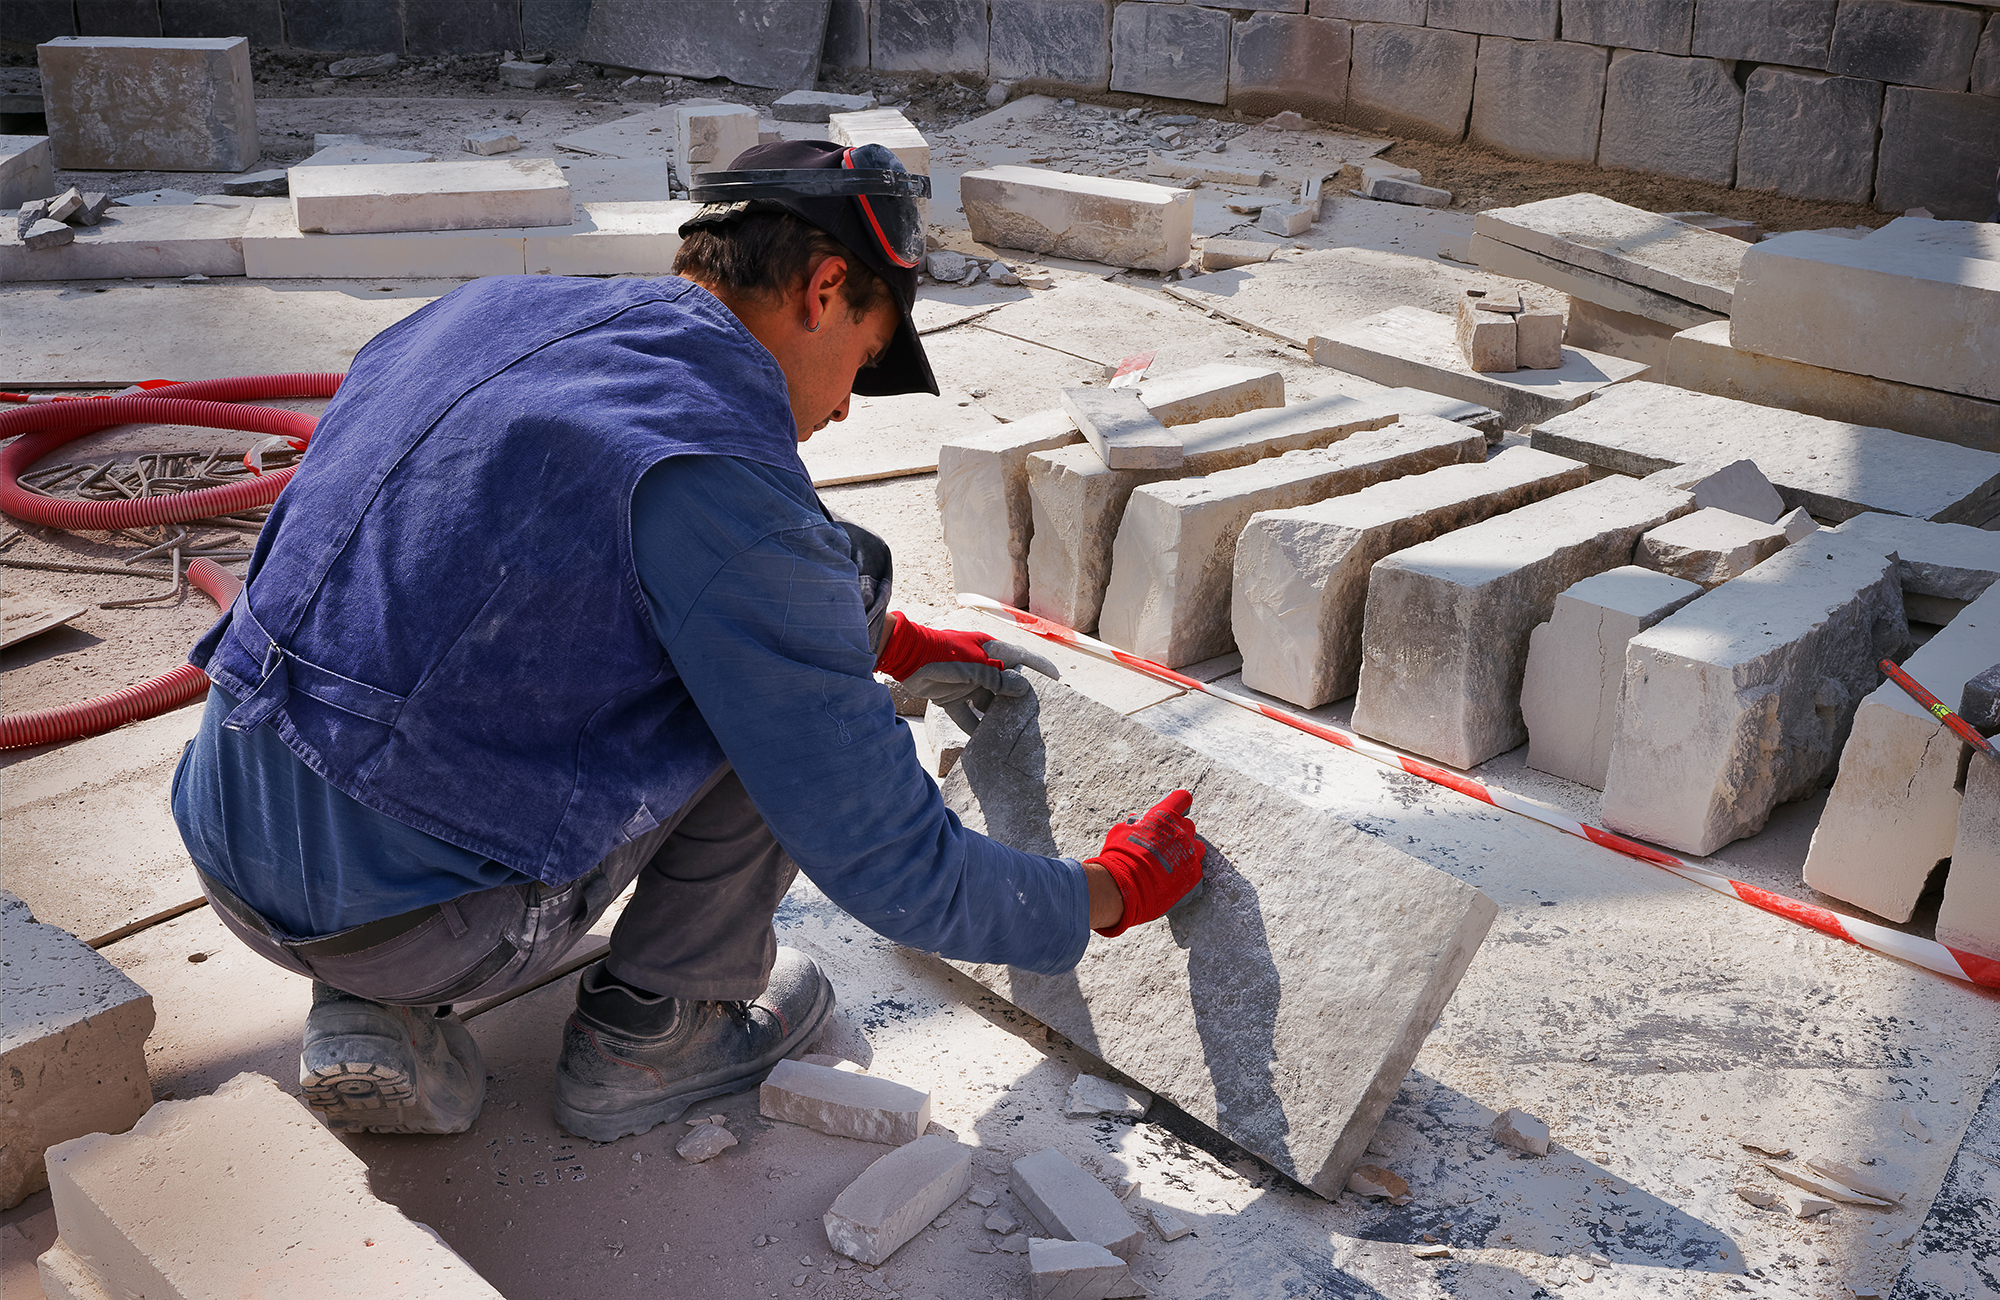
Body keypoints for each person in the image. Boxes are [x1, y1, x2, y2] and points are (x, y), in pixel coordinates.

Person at [169, 140, 1205, 1143]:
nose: (845, 407)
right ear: (823, 289)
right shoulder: (714, 479)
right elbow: (897, 868)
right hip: (423, 928)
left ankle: (365, 1002)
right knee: (781, 691)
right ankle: (652, 1032)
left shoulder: (488, 310)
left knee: (817, 580)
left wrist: (885, 637)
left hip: (227, 838)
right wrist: (1107, 892)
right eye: (863, 360)